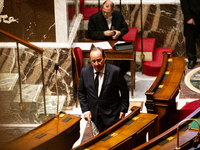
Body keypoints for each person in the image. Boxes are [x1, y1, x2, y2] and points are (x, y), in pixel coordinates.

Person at [78, 47, 129, 133]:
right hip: (94, 116)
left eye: (99, 60)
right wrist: (86, 110)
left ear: (104, 58)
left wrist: (123, 109)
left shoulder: (115, 71)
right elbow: (81, 93)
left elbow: (124, 92)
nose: (96, 64)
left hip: (112, 114)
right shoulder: (85, 72)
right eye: (93, 61)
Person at [87, 0, 130, 75]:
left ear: (113, 10)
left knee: (128, 56)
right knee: (101, 59)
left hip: (117, 41)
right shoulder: (94, 18)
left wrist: (119, 33)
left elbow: (125, 28)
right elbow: (90, 33)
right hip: (101, 43)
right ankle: (105, 76)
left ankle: (118, 76)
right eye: (103, 11)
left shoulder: (118, 15)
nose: (105, 14)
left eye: (107, 12)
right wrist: (103, 33)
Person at [180, 0, 200, 69]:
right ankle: (192, 59)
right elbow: (184, 2)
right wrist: (188, 17)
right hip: (192, 15)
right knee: (190, 38)